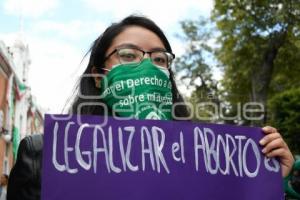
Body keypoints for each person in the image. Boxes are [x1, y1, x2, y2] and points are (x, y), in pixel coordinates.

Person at [7, 15, 295, 200]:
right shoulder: (43, 156)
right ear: (98, 76)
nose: (147, 67)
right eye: (128, 55)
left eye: (159, 59)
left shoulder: (209, 160)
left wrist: (267, 180)